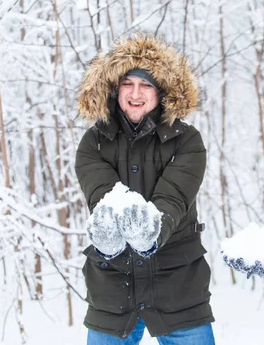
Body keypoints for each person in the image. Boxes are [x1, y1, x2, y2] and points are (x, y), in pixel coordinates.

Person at [75, 33, 215, 344]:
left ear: (161, 92)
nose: (136, 93)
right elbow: (102, 195)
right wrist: (108, 228)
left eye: (146, 85)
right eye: (128, 83)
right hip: (112, 288)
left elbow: (173, 198)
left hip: (178, 286)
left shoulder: (187, 140)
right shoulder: (93, 143)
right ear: (115, 88)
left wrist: (150, 230)